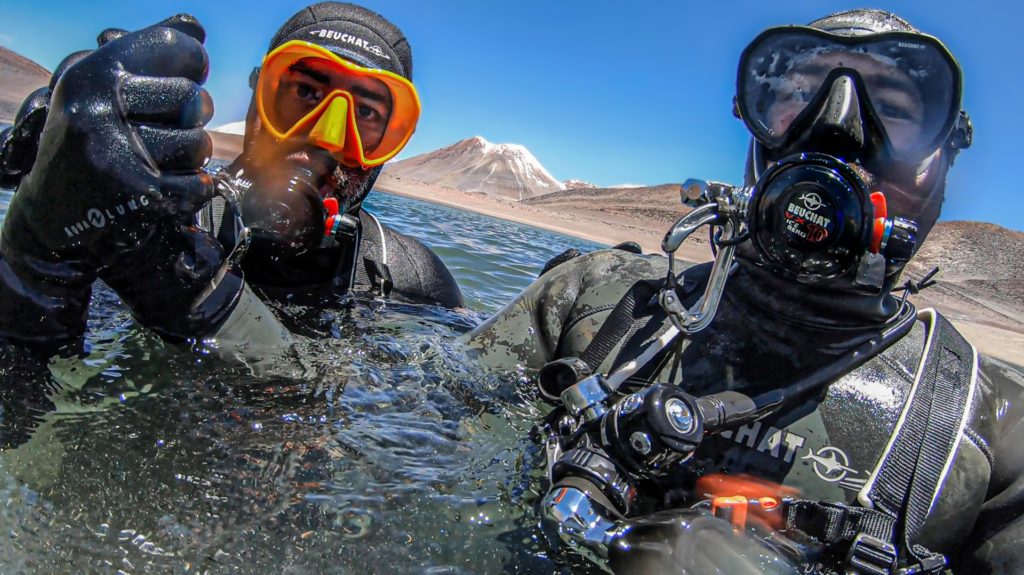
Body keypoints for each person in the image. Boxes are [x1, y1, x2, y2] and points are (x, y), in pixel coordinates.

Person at [465, 9, 1023, 574]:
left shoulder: (997, 434)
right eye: (801, 95)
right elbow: (420, 451)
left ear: (945, 157)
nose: (838, 132)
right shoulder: (593, 300)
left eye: (897, 111)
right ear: (754, 128)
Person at [0, 2, 462, 356]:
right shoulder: (150, 216)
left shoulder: (413, 282)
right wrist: (40, 247)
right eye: (304, 92)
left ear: (391, 144)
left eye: (365, 113)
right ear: (258, 99)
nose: (326, 137)